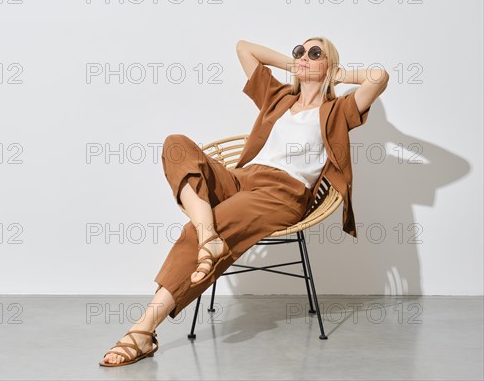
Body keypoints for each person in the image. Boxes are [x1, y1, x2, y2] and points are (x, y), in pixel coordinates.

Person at [99, 37, 389, 366]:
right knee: (176, 144)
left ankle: (143, 330)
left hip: (283, 193)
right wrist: (294, 66)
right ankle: (210, 237)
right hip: (242, 178)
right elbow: (244, 48)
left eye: (314, 53)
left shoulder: (338, 110)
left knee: (195, 234)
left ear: (330, 63)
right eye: (299, 51)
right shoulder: (278, 98)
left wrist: (336, 75)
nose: (303, 57)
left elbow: (378, 78)